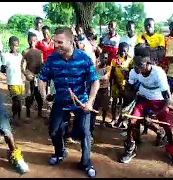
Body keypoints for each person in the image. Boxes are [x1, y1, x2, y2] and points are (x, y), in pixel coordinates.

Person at [38, 27, 100, 178]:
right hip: (61, 101)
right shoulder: (52, 59)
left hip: (81, 102)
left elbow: (95, 82)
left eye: (60, 42)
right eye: (54, 42)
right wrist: (44, 95)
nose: (56, 45)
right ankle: (60, 153)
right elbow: (42, 79)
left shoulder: (84, 58)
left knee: (84, 133)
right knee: (54, 131)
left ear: (71, 41)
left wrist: (90, 102)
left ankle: (86, 162)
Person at [119, 46, 173, 167]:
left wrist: (152, 114)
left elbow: (167, 100)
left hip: (159, 101)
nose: (136, 68)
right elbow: (131, 90)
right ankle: (130, 149)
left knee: (168, 127)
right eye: (135, 64)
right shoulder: (134, 72)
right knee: (132, 122)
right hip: (142, 99)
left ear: (148, 63)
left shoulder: (158, 74)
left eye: (140, 65)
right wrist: (126, 89)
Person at [1, 36, 24, 125]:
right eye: (13, 45)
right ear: (10, 45)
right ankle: (14, 116)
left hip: (20, 81)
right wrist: (7, 70)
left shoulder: (20, 56)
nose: (15, 47)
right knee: (16, 99)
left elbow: (22, 67)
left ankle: (18, 116)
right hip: (12, 81)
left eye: (16, 45)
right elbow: (2, 68)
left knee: (19, 99)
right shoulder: (6, 55)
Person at [110, 42, 133, 127]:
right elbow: (112, 73)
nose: (123, 53)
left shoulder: (131, 60)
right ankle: (113, 119)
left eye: (125, 51)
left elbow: (132, 72)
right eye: (121, 51)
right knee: (115, 102)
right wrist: (114, 83)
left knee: (124, 103)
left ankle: (121, 120)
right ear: (118, 50)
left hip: (126, 85)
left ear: (127, 51)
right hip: (116, 84)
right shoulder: (115, 60)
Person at [21, 33, 44, 120]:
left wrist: (41, 75)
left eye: (34, 40)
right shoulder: (25, 52)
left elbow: (42, 64)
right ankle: (27, 114)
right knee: (29, 96)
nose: (32, 42)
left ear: (36, 41)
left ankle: (39, 113)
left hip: (38, 77)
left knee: (39, 96)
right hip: (29, 76)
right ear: (28, 41)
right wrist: (25, 74)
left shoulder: (39, 52)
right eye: (31, 40)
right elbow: (21, 65)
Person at [90, 52, 111, 133]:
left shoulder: (108, 68)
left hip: (104, 90)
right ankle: (92, 124)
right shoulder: (96, 67)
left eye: (106, 58)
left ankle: (103, 121)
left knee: (105, 107)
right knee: (95, 107)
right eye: (103, 58)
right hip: (97, 90)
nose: (104, 60)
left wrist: (96, 77)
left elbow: (106, 77)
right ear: (99, 58)